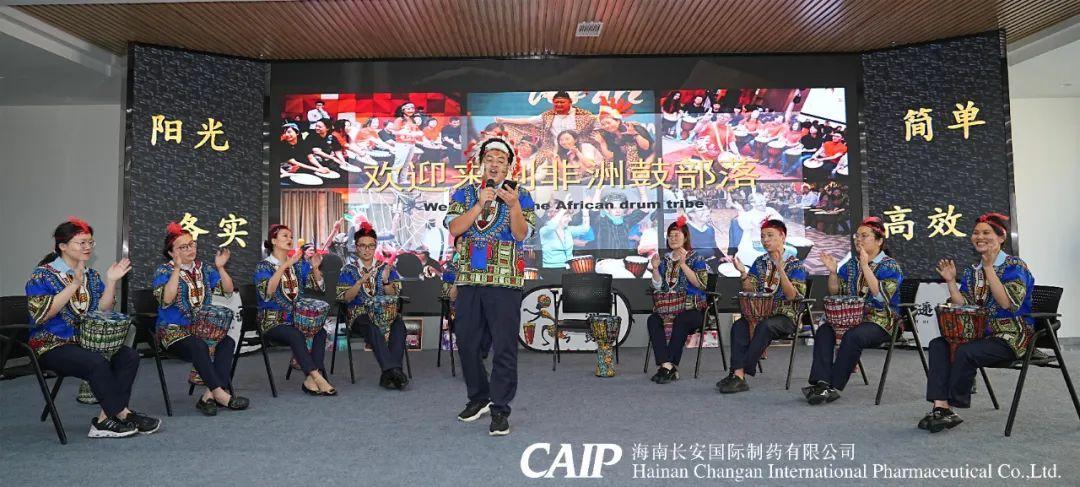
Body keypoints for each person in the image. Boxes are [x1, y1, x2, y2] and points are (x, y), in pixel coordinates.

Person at [25, 217, 161, 437]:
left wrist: (111, 281)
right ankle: (122, 414)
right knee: (96, 362)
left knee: (128, 356)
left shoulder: (92, 275)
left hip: (85, 342)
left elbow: (102, 312)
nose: (88, 247)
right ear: (63, 246)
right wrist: (74, 285)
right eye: (82, 243)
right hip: (50, 344)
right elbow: (41, 315)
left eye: (90, 242)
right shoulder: (42, 275)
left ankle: (106, 418)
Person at [445, 136, 537, 436]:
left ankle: (500, 408)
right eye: (490, 160)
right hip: (469, 278)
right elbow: (455, 228)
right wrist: (479, 204)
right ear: (481, 163)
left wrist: (513, 206)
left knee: (504, 346)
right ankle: (479, 397)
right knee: (467, 342)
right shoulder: (464, 193)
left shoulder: (521, 195)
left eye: (501, 161)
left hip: (505, 281)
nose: (495, 165)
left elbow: (521, 234)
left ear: (509, 166)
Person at [920, 213, 1034, 433]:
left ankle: (952, 404)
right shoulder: (973, 271)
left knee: (966, 351)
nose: (979, 237)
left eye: (986, 232)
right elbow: (964, 304)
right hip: (979, 334)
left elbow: (1007, 303)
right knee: (938, 344)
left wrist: (989, 268)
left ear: (1001, 237)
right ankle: (941, 407)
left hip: (1011, 337)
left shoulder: (1015, 266)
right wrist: (951, 282)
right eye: (976, 233)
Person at [153, 223, 250, 415]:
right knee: (198, 346)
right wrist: (177, 269)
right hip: (172, 331)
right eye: (183, 247)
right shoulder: (163, 271)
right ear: (171, 252)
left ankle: (208, 396)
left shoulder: (203, 269)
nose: (190, 249)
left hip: (202, 329)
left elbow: (228, 290)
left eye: (192, 244)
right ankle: (221, 394)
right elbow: (167, 299)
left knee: (228, 342)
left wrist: (220, 268)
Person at [804, 217, 902, 404]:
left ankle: (833, 386)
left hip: (882, 322)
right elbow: (836, 292)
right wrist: (833, 272)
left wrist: (865, 266)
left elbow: (881, 297)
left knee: (853, 336)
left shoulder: (890, 266)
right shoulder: (850, 265)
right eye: (857, 236)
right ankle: (821, 382)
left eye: (864, 236)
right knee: (825, 330)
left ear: (879, 241)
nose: (858, 239)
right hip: (852, 320)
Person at [716, 219, 807, 394]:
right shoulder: (760, 262)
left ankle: (740, 371)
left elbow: (792, 296)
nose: (765, 240)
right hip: (760, 314)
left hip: (786, 317)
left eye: (770, 235)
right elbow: (750, 290)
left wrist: (780, 269)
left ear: (782, 236)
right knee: (739, 326)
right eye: (763, 236)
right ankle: (738, 375)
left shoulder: (796, 264)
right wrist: (743, 273)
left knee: (765, 326)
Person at [253, 224, 338, 396]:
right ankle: (317, 376)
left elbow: (318, 285)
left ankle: (310, 380)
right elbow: (267, 292)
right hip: (272, 321)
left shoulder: (298, 265)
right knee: (295, 334)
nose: (289, 239)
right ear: (273, 241)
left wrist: (315, 268)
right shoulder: (263, 267)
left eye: (291, 236)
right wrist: (284, 266)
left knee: (320, 332)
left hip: (297, 320)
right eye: (284, 236)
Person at [337, 223, 408, 390]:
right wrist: (359, 283)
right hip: (359, 315)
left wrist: (386, 281)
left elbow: (394, 295)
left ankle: (390, 373)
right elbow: (345, 298)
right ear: (356, 247)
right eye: (362, 245)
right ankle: (394, 371)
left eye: (370, 245)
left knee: (399, 325)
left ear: (375, 246)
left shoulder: (386, 268)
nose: (367, 250)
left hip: (385, 314)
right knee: (371, 326)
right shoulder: (348, 269)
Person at [646, 216, 709, 384]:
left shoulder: (696, 258)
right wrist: (655, 269)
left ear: (685, 237)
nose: (673, 238)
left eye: (677, 235)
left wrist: (683, 264)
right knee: (653, 320)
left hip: (692, 310)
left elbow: (701, 284)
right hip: (668, 309)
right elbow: (659, 286)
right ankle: (667, 365)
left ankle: (668, 366)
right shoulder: (665, 260)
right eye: (670, 236)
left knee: (681, 319)